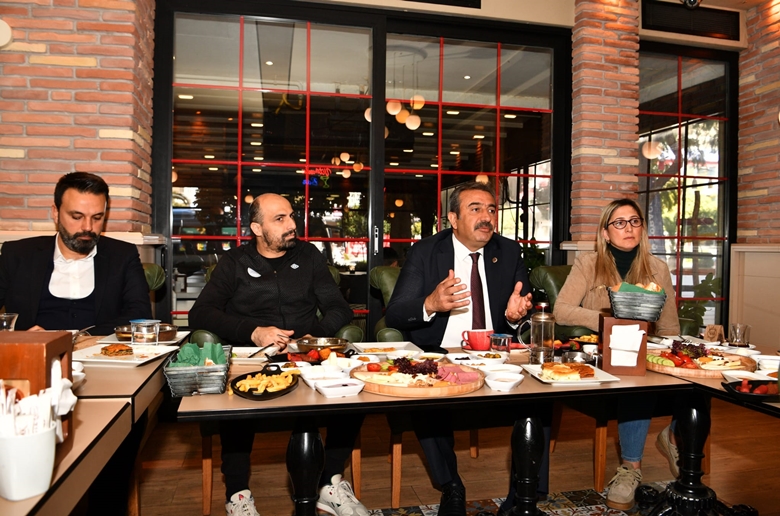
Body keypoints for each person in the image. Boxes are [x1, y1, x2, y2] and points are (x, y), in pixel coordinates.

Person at [189, 193, 366, 516]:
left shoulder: (309, 256)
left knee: (352, 393)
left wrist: (316, 336)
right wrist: (253, 331)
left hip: (306, 355)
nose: (292, 224)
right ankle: (238, 494)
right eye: (280, 219)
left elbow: (339, 307)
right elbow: (200, 314)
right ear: (257, 228)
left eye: (291, 216)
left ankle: (329, 482)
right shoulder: (235, 262)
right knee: (236, 400)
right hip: (254, 356)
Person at [385, 181, 537, 516]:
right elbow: (395, 313)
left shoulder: (508, 251)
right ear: (453, 219)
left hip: (495, 355)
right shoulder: (427, 251)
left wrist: (515, 317)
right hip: (441, 353)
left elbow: (520, 312)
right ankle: (451, 486)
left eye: (492, 209)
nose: (487, 217)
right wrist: (430, 303)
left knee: (541, 398)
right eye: (476, 209)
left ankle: (523, 495)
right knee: (426, 400)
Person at [553, 198, 680, 510]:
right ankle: (631, 469)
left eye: (634, 221)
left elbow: (669, 326)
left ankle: (675, 437)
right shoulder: (588, 264)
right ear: (606, 233)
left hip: (647, 350)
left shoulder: (658, 268)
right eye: (619, 223)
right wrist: (609, 320)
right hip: (604, 353)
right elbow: (561, 310)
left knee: (698, 378)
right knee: (634, 379)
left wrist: (674, 355)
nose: (629, 228)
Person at [0, 172, 152, 334]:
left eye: (97, 218)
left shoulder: (123, 255)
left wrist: (81, 338)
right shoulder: (17, 254)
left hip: (100, 349)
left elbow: (140, 314)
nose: (88, 227)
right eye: (77, 217)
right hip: (33, 350)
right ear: (56, 213)